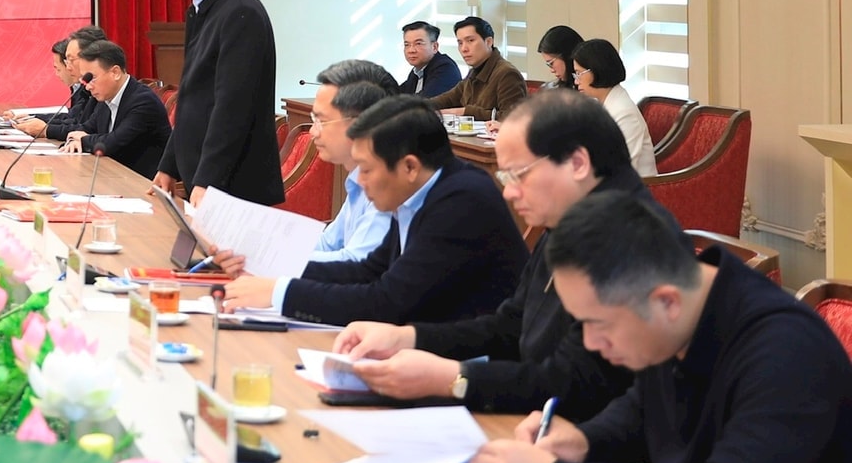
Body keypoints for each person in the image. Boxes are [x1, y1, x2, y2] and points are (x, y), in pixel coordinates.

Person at [469, 193, 852, 463]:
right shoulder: (683, 315)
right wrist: (585, 441)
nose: (590, 343)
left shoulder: (786, 349)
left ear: (667, 302)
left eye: (598, 323)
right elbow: (644, 410)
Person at [335, 91, 645, 418]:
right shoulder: (572, 215)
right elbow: (511, 325)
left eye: (518, 175)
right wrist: (406, 337)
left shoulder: (629, 239)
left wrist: (454, 379)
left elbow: (577, 383)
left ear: (577, 163)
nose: (509, 192)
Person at [221, 96, 524, 325]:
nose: (360, 182)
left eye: (366, 170)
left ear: (409, 166)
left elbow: (388, 301)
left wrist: (280, 293)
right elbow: (367, 271)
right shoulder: (418, 191)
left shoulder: (461, 201)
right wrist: (270, 269)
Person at [155, 0, 282, 206]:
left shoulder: (241, 12)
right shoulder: (203, 10)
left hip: (232, 185)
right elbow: (192, 97)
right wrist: (169, 165)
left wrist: (208, 181)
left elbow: (233, 106)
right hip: (207, 178)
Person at [300, 60, 400, 265]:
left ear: (361, 124)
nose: (312, 132)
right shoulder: (358, 177)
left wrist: (279, 262)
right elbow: (328, 244)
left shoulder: (391, 183)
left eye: (321, 121)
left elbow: (357, 264)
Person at [59, 39, 172, 178]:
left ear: (115, 72)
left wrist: (82, 140)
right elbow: (86, 128)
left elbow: (112, 143)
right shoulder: (106, 97)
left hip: (142, 181)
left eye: (92, 78)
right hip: (113, 174)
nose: (87, 87)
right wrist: (72, 140)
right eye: (85, 79)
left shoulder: (143, 101)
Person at [570, 38, 658, 176]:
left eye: (579, 73)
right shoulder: (599, 105)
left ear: (597, 69)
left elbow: (621, 171)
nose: (576, 81)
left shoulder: (624, 113)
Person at [9, 28, 106, 141]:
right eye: (66, 61)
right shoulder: (88, 88)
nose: (68, 67)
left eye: (71, 60)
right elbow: (78, 121)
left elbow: (90, 131)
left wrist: (46, 130)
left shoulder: (105, 91)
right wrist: (34, 120)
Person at [429, 16, 527, 120]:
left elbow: (513, 118)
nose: (464, 49)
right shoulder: (474, 71)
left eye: (470, 40)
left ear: (488, 42)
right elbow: (447, 99)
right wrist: (419, 106)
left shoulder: (507, 73)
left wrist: (465, 112)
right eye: (460, 43)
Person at [398, 21, 460, 97]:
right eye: (407, 45)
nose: (411, 50)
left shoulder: (445, 68)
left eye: (418, 43)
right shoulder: (416, 72)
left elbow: (425, 100)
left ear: (434, 47)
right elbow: (397, 94)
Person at [535, 25, 584, 91]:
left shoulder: (589, 88)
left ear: (567, 55)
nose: (552, 70)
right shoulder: (550, 89)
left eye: (551, 63)